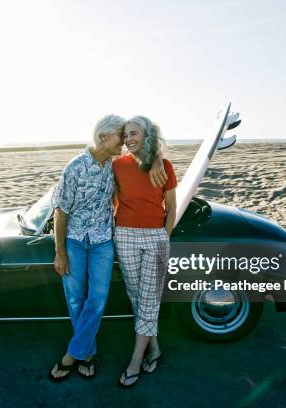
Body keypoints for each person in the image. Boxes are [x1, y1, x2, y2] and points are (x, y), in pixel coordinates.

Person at [49, 114, 168, 382]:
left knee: (98, 298)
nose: (124, 142)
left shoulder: (114, 165)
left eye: (127, 136)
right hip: (75, 241)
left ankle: (72, 354)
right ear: (104, 136)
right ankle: (88, 353)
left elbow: (144, 158)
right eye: (120, 136)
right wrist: (60, 251)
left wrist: (158, 158)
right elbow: (60, 211)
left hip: (103, 240)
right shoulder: (75, 167)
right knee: (76, 298)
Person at [113, 116, 177, 388]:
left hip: (155, 237)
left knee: (149, 297)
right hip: (124, 235)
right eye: (126, 135)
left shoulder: (165, 166)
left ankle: (135, 360)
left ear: (148, 135)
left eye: (134, 133)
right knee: (137, 296)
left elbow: (172, 207)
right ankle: (155, 348)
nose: (129, 139)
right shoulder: (117, 165)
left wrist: (165, 235)